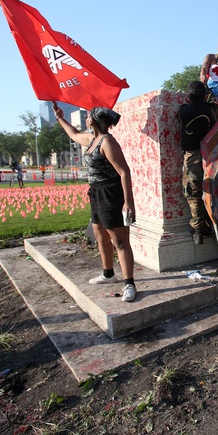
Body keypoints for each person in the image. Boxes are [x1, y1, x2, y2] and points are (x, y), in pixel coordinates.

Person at [52, 101, 138, 302]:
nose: (85, 118)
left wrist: (128, 202)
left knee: (120, 241)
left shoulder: (107, 142)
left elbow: (124, 172)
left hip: (111, 194)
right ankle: (108, 274)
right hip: (96, 193)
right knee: (101, 237)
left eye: (88, 116)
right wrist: (59, 118)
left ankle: (130, 284)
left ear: (92, 120)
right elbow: (73, 134)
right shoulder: (93, 140)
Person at [179, 81, 218, 244]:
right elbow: (215, 111)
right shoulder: (210, 109)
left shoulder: (184, 110)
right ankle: (213, 226)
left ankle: (199, 230)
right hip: (211, 155)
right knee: (211, 191)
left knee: (193, 193)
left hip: (192, 155)